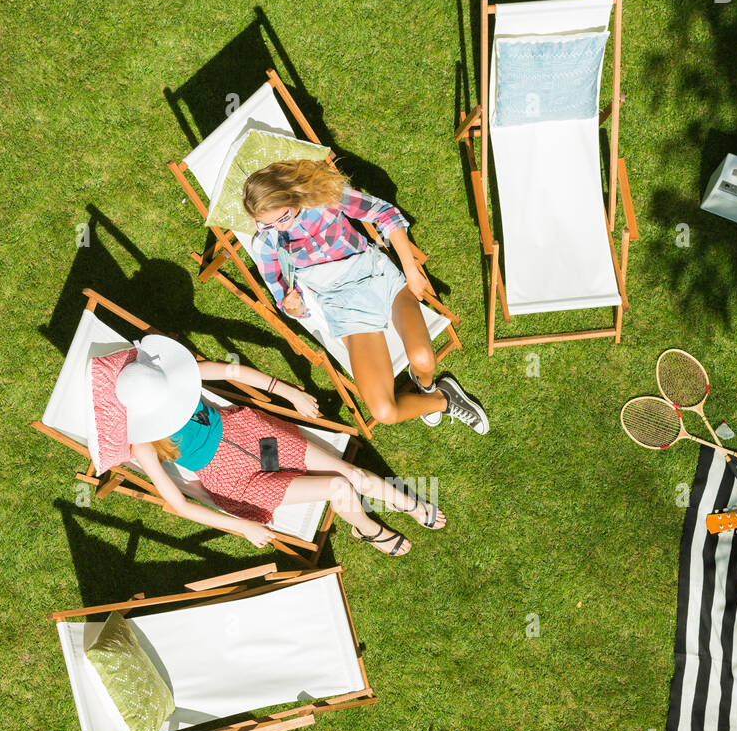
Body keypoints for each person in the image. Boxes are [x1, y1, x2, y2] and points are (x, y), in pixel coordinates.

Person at [108, 335, 444, 558]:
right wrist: (242, 527)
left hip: (254, 435)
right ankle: (369, 529)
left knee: (351, 472)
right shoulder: (142, 443)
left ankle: (409, 504)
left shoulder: (176, 375)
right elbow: (179, 503)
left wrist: (289, 392)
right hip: (238, 482)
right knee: (338, 486)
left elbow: (230, 369)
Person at [242, 159, 489, 434]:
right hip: (344, 307)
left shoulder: (323, 197)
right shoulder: (267, 244)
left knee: (423, 360)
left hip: (377, 276)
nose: (279, 228)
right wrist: (295, 307)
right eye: (267, 224)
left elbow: (385, 213)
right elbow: (286, 301)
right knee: (384, 412)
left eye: (283, 218)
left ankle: (428, 385)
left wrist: (411, 270)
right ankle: (440, 400)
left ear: (292, 195)